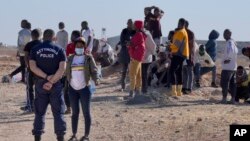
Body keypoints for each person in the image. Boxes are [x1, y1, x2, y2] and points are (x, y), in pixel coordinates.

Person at [30, 29, 66, 141]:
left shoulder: (35, 49)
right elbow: (62, 69)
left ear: (43, 37)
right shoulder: (59, 49)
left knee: (40, 113)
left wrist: (46, 77)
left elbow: (32, 67)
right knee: (58, 113)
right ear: (54, 37)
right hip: (55, 84)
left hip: (40, 84)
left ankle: (37, 137)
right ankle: (60, 137)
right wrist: (51, 81)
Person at [66, 37, 99, 141]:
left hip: (85, 89)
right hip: (72, 89)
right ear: (74, 47)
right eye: (77, 46)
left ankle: (86, 136)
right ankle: (74, 135)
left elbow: (94, 70)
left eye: (81, 46)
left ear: (84, 47)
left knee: (86, 113)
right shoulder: (71, 58)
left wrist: (96, 79)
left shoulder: (88, 58)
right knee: (75, 113)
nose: (79, 47)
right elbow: (66, 72)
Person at [21, 29, 42, 113]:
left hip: (30, 69)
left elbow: (26, 57)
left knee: (29, 88)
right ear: (40, 35)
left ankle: (31, 107)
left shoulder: (28, 45)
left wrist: (28, 66)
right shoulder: (41, 44)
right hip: (40, 70)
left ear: (32, 36)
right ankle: (38, 106)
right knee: (39, 88)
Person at [169, 18, 189, 97]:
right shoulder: (183, 31)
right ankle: (179, 92)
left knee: (172, 71)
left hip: (178, 54)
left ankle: (174, 92)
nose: (178, 24)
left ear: (182, 24)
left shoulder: (181, 32)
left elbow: (176, 45)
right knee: (178, 72)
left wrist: (169, 46)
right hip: (182, 54)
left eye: (179, 23)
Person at [127, 20, 146, 98]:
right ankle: (138, 91)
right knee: (138, 75)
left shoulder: (138, 35)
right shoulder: (141, 34)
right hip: (139, 57)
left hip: (135, 57)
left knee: (132, 74)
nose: (133, 26)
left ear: (137, 26)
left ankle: (131, 92)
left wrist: (129, 44)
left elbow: (132, 44)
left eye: (134, 25)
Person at [64, 30, 82, 114]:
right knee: (67, 90)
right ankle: (69, 107)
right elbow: (67, 58)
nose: (71, 37)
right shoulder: (69, 46)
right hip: (71, 70)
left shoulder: (82, 47)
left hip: (79, 71)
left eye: (73, 36)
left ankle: (73, 107)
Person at [220, 29, 238, 104]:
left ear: (229, 34)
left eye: (225, 33)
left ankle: (224, 99)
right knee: (232, 84)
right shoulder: (234, 42)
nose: (224, 35)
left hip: (227, 67)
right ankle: (233, 99)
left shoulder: (229, 43)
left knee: (224, 83)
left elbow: (230, 51)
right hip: (233, 67)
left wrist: (228, 59)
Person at [118, 19, 136, 91]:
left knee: (132, 71)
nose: (130, 24)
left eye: (131, 23)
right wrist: (128, 43)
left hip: (133, 53)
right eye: (129, 23)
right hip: (125, 52)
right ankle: (123, 86)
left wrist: (130, 43)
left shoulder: (135, 32)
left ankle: (133, 87)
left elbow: (135, 41)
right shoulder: (124, 31)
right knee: (124, 71)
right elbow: (122, 41)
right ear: (127, 23)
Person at [141, 28, 156, 94]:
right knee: (142, 74)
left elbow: (153, 45)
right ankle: (143, 89)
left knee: (144, 74)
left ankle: (144, 89)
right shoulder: (141, 33)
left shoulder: (147, 34)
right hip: (142, 58)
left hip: (146, 58)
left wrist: (152, 53)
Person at [182, 20, 195, 94]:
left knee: (190, 72)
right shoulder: (183, 32)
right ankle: (184, 87)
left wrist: (188, 55)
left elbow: (191, 45)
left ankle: (189, 88)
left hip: (189, 55)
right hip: (183, 55)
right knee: (184, 72)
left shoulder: (190, 33)